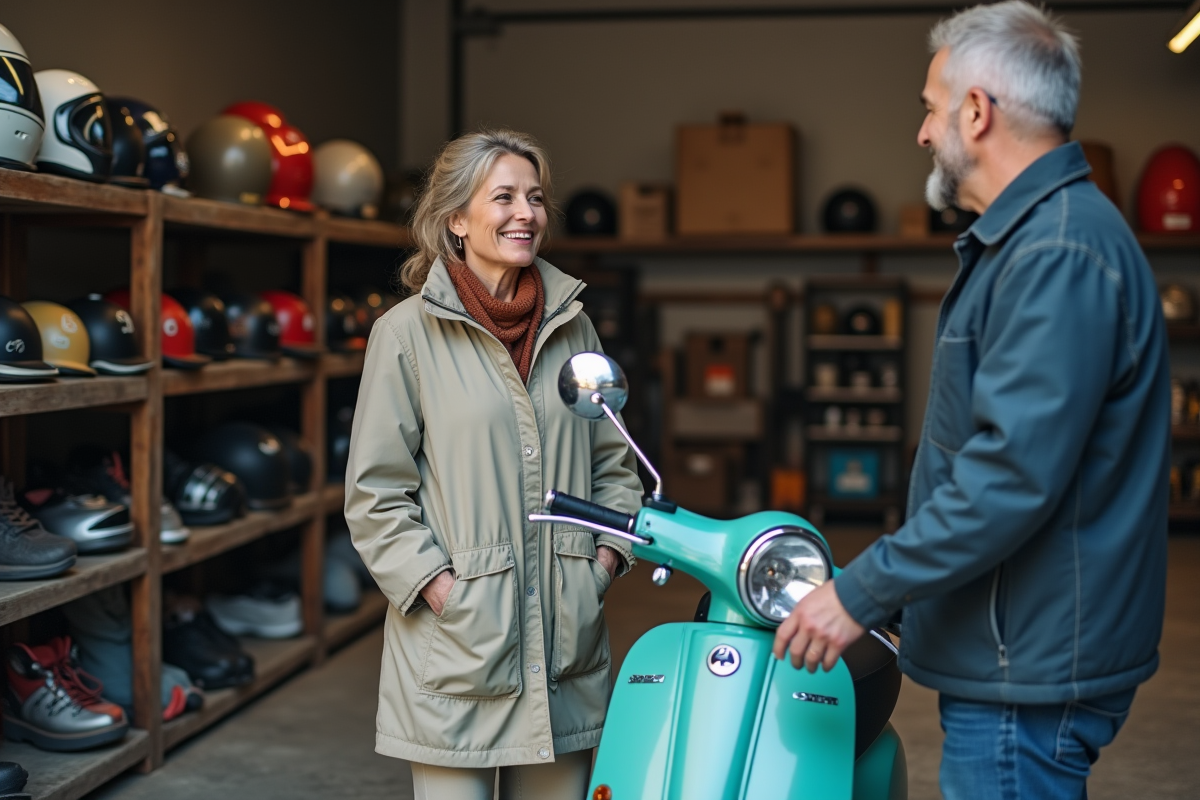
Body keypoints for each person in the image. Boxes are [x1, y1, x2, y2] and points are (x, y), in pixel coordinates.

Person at [773, 3, 1169, 798]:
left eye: (929, 107)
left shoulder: (1058, 251)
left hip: (1028, 659)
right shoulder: (1034, 239)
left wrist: (862, 591)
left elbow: (1009, 477)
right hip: (1018, 641)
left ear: (977, 112)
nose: (923, 133)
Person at [344, 129, 643, 799]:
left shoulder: (573, 326)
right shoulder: (405, 335)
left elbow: (614, 465)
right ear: (456, 219)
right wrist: (443, 590)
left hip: (565, 647)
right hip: (458, 651)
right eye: (503, 196)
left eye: (535, 197)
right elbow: (376, 495)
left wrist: (601, 565)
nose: (525, 213)